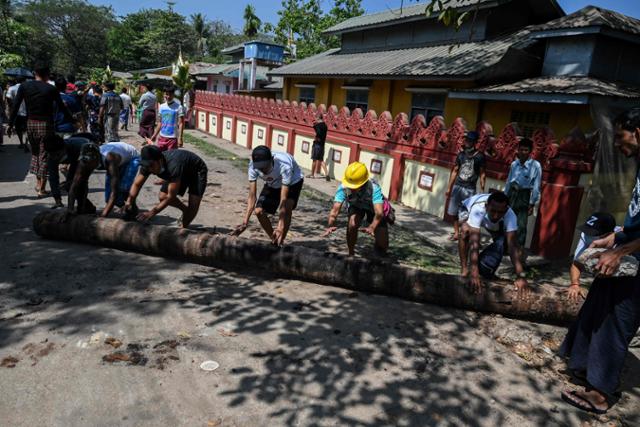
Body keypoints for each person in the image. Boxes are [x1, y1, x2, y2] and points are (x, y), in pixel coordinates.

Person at [559, 108, 640, 414]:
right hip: (629, 248)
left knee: (616, 321)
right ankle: (582, 366)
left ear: (639, 132)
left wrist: (620, 251)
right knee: (596, 305)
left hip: (634, 261)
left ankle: (601, 393)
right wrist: (617, 235)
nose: (619, 146)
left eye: (621, 138)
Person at [7, 63, 73, 197]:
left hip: (30, 124)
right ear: (47, 75)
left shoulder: (25, 86)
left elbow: (15, 105)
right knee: (45, 155)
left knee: (36, 153)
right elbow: (61, 107)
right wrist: (72, 120)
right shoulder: (51, 88)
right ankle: (42, 188)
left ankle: (38, 183)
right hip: (46, 124)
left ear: (34, 73)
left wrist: (10, 124)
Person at [457, 192, 529, 296]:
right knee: (465, 232)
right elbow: (474, 242)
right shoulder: (478, 209)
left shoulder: (510, 215)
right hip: (467, 209)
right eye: (493, 211)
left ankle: (488, 270)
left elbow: (513, 247)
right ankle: (464, 268)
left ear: (506, 210)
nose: (496, 215)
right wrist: (474, 272)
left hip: (492, 223)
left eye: (500, 212)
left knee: (505, 243)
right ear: (486, 207)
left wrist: (521, 276)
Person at [232, 146, 304, 246]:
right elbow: (252, 197)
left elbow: (282, 200)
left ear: (271, 160)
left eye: (264, 166)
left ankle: (280, 241)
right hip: (272, 182)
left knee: (287, 206)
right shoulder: (253, 167)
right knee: (258, 211)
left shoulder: (284, 165)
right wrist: (245, 222)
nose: (262, 170)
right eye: (260, 167)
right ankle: (274, 240)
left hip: (293, 182)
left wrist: (280, 226)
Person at [124, 145, 208, 228]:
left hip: (196, 171)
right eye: (146, 166)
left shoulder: (173, 165)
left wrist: (152, 212)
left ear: (160, 161)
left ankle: (183, 229)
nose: (149, 169)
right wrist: (129, 201)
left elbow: (171, 197)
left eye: (151, 165)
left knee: (193, 205)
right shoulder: (147, 165)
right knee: (162, 197)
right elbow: (137, 184)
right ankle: (186, 211)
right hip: (179, 171)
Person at [323, 161, 390, 256]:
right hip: (356, 206)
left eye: (355, 186)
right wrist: (330, 225)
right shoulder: (343, 188)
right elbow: (335, 210)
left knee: (383, 243)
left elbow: (379, 213)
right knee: (352, 224)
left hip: (373, 209)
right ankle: (351, 252)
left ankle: (379, 249)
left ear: (363, 182)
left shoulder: (374, 188)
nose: (352, 188)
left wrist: (372, 227)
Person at [504, 138, 542, 260]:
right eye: (521, 149)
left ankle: (519, 250)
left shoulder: (535, 166)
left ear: (530, 151)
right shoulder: (514, 164)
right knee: (507, 221)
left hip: (524, 196)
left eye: (526, 150)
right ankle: (505, 247)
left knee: (521, 225)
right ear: (518, 150)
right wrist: (505, 197)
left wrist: (532, 203)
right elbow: (508, 182)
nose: (523, 152)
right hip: (512, 194)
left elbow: (536, 186)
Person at [567, 212, 618, 303]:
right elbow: (576, 263)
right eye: (587, 231)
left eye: (593, 233)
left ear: (609, 235)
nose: (588, 235)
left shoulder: (623, 240)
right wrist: (575, 284)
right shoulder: (585, 235)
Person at [446, 131, 486, 241]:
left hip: (470, 189)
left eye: (470, 140)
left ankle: (465, 233)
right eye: (466, 139)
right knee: (453, 212)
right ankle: (456, 233)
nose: (467, 142)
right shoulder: (461, 155)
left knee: (466, 214)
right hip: (458, 186)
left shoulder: (479, 157)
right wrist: (449, 187)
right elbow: (455, 170)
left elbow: (482, 174)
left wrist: (482, 190)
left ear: (474, 142)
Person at [45, 133, 98, 208]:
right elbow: (53, 177)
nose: (55, 158)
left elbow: (82, 176)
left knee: (80, 183)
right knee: (68, 186)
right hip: (74, 159)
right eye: (52, 155)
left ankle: (82, 208)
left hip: (90, 152)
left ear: (63, 148)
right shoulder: (51, 157)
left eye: (57, 155)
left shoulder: (78, 146)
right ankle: (87, 206)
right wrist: (57, 200)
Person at [99, 141, 140, 217]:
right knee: (108, 197)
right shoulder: (91, 156)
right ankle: (125, 208)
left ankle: (133, 211)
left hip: (132, 157)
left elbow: (115, 191)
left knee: (123, 188)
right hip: (119, 158)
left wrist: (103, 215)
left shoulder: (110, 158)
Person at [63, 142, 102, 218]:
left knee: (82, 182)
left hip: (91, 150)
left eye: (89, 163)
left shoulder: (106, 159)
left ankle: (83, 207)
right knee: (71, 185)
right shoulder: (83, 162)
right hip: (79, 151)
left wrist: (103, 216)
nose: (86, 165)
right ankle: (83, 207)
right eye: (85, 162)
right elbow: (74, 187)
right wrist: (70, 209)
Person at [148, 86, 184, 151]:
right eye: (167, 94)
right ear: (164, 94)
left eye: (170, 94)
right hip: (162, 137)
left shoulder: (179, 107)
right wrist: (155, 135)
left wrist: (180, 138)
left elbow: (181, 123)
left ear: (173, 95)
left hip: (172, 138)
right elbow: (160, 123)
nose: (168, 96)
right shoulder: (161, 107)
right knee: (160, 157)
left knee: (170, 158)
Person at [6, 77, 29, 151]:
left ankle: (21, 143)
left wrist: (11, 108)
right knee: (26, 129)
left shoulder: (12, 88)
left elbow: (8, 99)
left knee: (18, 129)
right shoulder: (28, 87)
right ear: (24, 80)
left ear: (16, 80)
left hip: (16, 112)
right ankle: (26, 143)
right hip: (27, 112)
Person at [307, 114, 330, 180]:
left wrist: (314, 125)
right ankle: (327, 174)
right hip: (322, 145)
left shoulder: (318, 125)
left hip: (317, 144)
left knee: (314, 159)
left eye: (316, 118)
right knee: (321, 160)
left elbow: (318, 132)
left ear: (318, 118)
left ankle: (312, 174)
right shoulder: (325, 125)